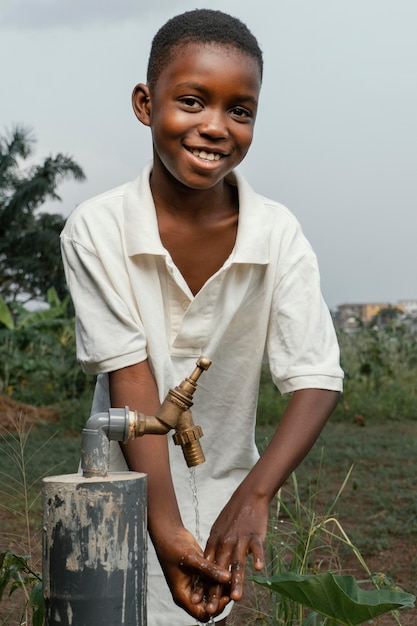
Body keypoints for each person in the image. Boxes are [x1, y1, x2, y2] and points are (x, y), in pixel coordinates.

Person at [61, 8, 343, 625]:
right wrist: (161, 526)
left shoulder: (277, 234)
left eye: (239, 111)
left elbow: (317, 375)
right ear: (145, 103)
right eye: (192, 101)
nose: (216, 127)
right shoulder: (98, 229)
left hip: (227, 493)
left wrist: (254, 496)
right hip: (120, 489)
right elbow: (130, 375)